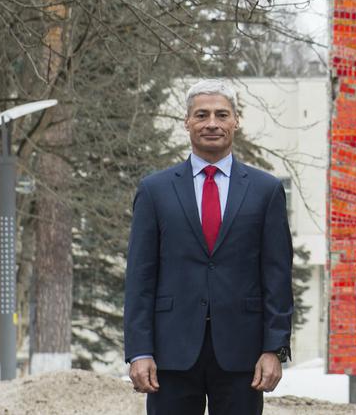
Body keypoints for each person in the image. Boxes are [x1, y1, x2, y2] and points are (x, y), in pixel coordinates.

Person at [124, 80, 293, 415]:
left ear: (235, 121)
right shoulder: (155, 190)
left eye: (221, 114)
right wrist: (139, 350)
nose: (212, 123)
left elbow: (277, 276)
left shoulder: (266, 190)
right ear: (187, 122)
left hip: (242, 354)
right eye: (202, 115)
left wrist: (274, 348)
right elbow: (140, 277)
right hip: (170, 354)